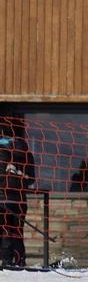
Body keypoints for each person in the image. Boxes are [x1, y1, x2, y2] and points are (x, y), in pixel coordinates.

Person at [0, 111, 35, 269]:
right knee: (17, 232)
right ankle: (20, 261)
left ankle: (7, 262)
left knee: (5, 229)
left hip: (3, 197)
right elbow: (32, 179)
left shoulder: (1, 151)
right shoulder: (26, 152)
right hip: (20, 199)